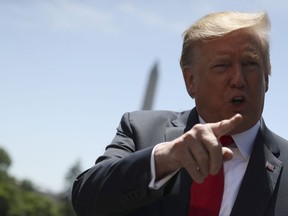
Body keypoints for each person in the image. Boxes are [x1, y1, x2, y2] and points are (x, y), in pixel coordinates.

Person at [71, 11, 288, 216]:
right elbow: (87, 200)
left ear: (266, 77)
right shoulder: (141, 130)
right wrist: (166, 159)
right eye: (222, 66)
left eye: (250, 64)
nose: (239, 79)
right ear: (190, 80)